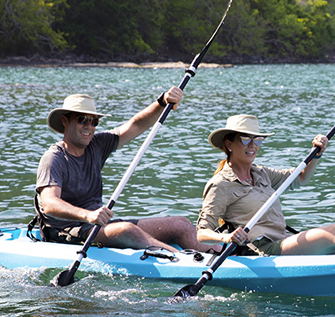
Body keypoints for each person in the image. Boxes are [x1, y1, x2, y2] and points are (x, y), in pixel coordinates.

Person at [36, 90, 217, 253]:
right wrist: (88, 215)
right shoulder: (54, 158)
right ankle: (180, 260)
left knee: (181, 224)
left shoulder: (97, 145)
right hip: (66, 231)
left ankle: (226, 256)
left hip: (98, 224)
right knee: (126, 230)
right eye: (82, 119)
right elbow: (50, 204)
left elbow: (135, 125)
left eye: (94, 121)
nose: (89, 127)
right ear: (65, 121)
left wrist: (162, 102)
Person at [196, 114, 335, 255]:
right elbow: (202, 233)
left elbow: (299, 178)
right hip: (261, 250)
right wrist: (227, 237)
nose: (253, 146)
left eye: (257, 140)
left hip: (283, 239)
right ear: (229, 145)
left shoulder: (261, 173)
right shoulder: (220, 184)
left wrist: (317, 154)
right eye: (246, 139)